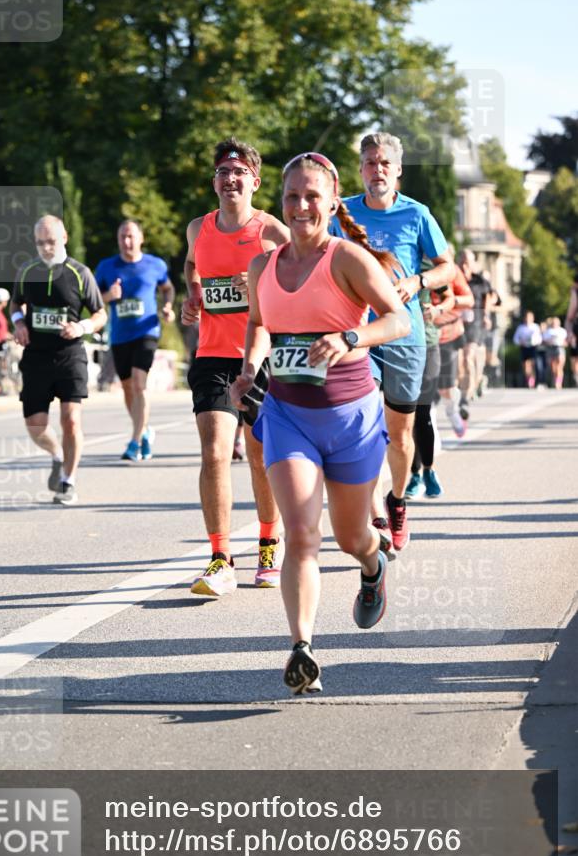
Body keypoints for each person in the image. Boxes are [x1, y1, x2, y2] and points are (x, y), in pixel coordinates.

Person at [231, 152, 409, 694]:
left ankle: (373, 565)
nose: (302, 205)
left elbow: (397, 320)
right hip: (288, 417)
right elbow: (259, 326)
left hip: (352, 418)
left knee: (351, 536)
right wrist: (247, 371)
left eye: (312, 196)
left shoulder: (348, 258)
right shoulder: (264, 266)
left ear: (333, 202)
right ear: (280, 203)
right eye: (292, 196)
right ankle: (301, 648)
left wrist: (350, 338)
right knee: (301, 535)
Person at [329, 132, 453, 552]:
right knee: (362, 426)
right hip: (358, 335)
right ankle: (373, 516)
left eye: (384, 163)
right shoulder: (341, 214)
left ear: (397, 171)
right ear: (360, 168)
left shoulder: (417, 215)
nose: (376, 169)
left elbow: (446, 268)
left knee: (400, 435)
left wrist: (418, 280)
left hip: (405, 335)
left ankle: (397, 501)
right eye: (369, 162)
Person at [181, 137, 289, 596]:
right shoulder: (197, 229)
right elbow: (191, 266)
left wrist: (269, 289)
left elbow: (303, 274)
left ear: (255, 182)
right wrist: (194, 293)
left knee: (261, 456)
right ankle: (220, 558)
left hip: (260, 356)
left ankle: (269, 541)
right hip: (212, 356)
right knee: (213, 454)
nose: (231, 179)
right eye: (224, 172)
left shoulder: (271, 231)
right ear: (214, 182)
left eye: (239, 172)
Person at [10, 215, 106, 505]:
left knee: (71, 421)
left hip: (70, 355)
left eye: (50, 241)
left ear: (63, 238)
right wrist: (18, 324)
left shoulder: (80, 273)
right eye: (40, 243)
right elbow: (16, 304)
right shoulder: (27, 271)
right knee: (35, 425)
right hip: (36, 356)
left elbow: (100, 314)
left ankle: (68, 481)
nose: (45, 248)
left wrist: (82, 327)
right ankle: (57, 454)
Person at [95, 219, 175, 461]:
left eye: (131, 236)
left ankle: (135, 441)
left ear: (141, 238)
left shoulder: (155, 265)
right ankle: (145, 430)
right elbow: (94, 299)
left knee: (140, 384)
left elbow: (167, 288)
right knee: (128, 388)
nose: (127, 241)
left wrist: (168, 306)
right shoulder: (107, 267)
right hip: (119, 335)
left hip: (147, 331)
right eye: (122, 237)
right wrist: (109, 295)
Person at [405, 279, 455, 499]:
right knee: (406, 416)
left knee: (422, 413)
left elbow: (450, 297)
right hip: (399, 347)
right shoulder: (386, 259)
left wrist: (437, 309)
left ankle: (427, 471)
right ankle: (413, 475)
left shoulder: (428, 268)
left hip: (428, 345)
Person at [436, 261, 474, 437]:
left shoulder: (451, 269)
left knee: (447, 387)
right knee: (425, 387)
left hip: (448, 334)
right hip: (420, 336)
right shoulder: (409, 262)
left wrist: (449, 301)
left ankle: (452, 412)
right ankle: (428, 425)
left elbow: (469, 300)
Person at [457, 248, 493, 412]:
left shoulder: (480, 281)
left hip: (475, 324)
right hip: (457, 324)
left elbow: (488, 298)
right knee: (458, 363)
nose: (465, 263)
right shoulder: (454, 278)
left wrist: (486, 316)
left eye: (468, 261)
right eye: (462, 260)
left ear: (473, 263)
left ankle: (465, 398)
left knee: (467, 357)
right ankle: (465, 388)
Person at [513, 311, 542, 388]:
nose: (528, 319)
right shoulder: (520, 327)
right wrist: (520, 342)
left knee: (531, 365)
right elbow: (515, 338)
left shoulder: (535, 327)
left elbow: (539, 338)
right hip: (524, 348)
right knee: (525, 366)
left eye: (529, 317)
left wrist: (533, 342)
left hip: (532, 348)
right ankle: (529, 379)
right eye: (526, 317)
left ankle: (532, 381)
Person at [542, 316, 568, 389]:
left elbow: (566, 342)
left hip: (559, 348)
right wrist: (549, 341)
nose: (554, 324)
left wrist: (563, 343)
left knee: (560, 366)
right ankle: (555, 379)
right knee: (553, 367)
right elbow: (544, 341)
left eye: (556, 322)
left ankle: (558, 382)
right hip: (551, 348)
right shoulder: (548, 331)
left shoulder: (562, 331)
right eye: (553, 322)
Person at [564, 277, 578, 387]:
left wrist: (569, 331)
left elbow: (570, 315)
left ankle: (576, 375)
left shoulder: (575, 292)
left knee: (575, 356)